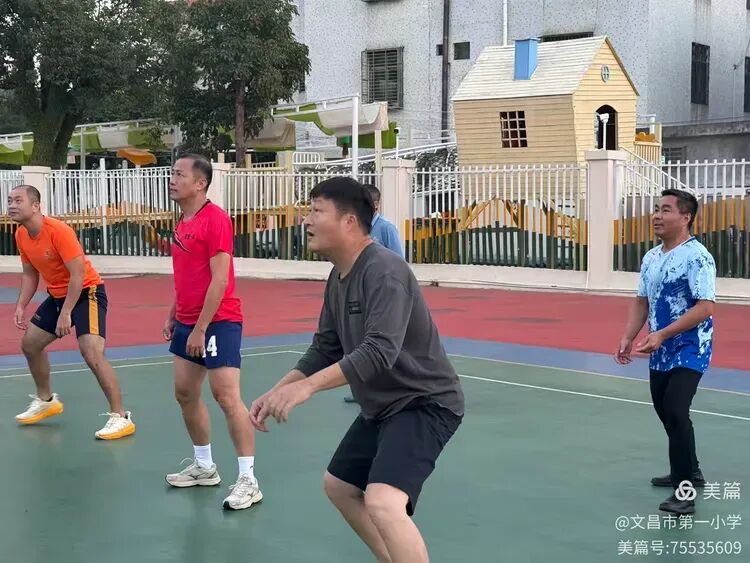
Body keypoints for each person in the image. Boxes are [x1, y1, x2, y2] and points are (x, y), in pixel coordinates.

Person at [249, 176, 464, 563]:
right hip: (383, 407)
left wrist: (307, 388)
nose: (306, 220)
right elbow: (325, 348)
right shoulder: (338, 276)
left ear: (349, 221)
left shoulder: (384, 271)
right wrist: (278, 390)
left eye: (317, 211)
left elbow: (379, 351)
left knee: (383, 502)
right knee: (340, 486)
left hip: (424, 403)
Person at [162, 154, 262, 511]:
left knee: (226, 396)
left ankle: (249, 480)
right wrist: (175, 315)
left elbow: (219, 279)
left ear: (200, 183)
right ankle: (204, 466)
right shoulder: (181, 221)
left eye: (179, 175)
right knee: (185, 393)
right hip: (188, 320)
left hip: (219, 320)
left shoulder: (215, 219)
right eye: (172, 174)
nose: (172, 180)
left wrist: (201, 328)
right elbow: (187, 276)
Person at [615, 189, 716, 515]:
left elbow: (705, 307)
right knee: (665, 412)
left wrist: (662, 334)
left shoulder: (698, 257)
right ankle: (690, 470)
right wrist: (629, 336)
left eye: (666, 210)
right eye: (656, 209)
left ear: (685, 217)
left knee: (675, 410)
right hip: (660, 349)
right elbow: (641, 301)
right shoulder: (651, 257)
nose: (657, 215)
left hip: (691, 347)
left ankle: (684, 493)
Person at [8, 184, 135, 440]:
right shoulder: (21, 234)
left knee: (92, 352)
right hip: (58, 295)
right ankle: (46, 401)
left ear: (36, 206)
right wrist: (21, 304)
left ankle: (121, 417)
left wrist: (66, 313)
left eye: (18, 200)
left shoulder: (59, 231)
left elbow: (78, 274)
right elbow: (30, 274)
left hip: (87, 292)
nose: (11, 205)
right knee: (30, 345)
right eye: (9, 200)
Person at [343, 183, 404, 404]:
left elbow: (399, 262)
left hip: (383, 296)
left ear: (376, 205)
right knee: (359, 340)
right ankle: (361, 389)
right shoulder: (357, 228)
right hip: (361, 294)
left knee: (382, 341)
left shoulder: (386, 228)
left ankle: (391, 388)